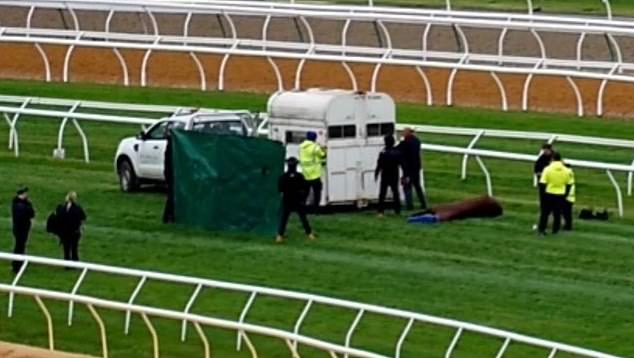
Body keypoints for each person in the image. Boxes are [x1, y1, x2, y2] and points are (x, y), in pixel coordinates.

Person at [276, 157, 314, 243]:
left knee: (284, 218)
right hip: (297, 199)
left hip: (287, 199)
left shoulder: (283, 177)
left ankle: (279, 236)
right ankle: (310, 234)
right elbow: (305, 187)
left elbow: (280, 189)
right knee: (303, 217)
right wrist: (303, 198)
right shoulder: (300, 176)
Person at [538, 152, 573, 236]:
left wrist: (542, 196)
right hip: (560, 194)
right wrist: (565, 194)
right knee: (557, 214)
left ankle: (542, 230)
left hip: (548, 193)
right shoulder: (567, 170)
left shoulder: (547, 169)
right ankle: (555, 231)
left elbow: (543, 183)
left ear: (552, 159)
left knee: (545, 213)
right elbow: (569, 184)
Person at [397, 127, 427, 210]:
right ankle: (423, 203)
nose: (402, 133)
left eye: (404, 132)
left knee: (407, 186)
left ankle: (409, 205)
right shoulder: (417, 141)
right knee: (417, 186)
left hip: (408, 168)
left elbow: (398, 149)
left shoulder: (405, 143)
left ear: (408, 133)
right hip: (416, 167)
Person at [376, 134, 404, 216]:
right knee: (395, 192)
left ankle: (380, 210)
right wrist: (405, 174)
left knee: (382, 194)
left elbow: (379, 164)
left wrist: (377, 173)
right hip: (394, 175)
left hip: (385, 175)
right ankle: (397, 210)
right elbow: (402, 164)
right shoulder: (397, 152)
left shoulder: (383, 152)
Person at [299, 131, 327, 212]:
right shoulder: (315, 147)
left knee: (305, 193)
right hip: (315, 174)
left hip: (305, 174)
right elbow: (322, 155)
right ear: (314, 138)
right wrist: (324, 149)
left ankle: (302, 207)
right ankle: (316, 209)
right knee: (317, 193)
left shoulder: (301, 147)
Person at [55, 192, 87, 262]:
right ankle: (75, 262)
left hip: (65, 232)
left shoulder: (62, 208)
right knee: (74, 248)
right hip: (74, 232)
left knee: (66, 249)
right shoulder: (78, 208)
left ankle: (67, 264)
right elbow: (83, 217)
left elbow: (59, 218)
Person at [11, 187, 35, 273]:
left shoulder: (21, 203)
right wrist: (28, 205)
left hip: (22, 228)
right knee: (19, 247)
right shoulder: (19, 205)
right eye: (25, 193)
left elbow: (32, 213)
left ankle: (18, 263)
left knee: (20, 246)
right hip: (20, 229)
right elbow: (30, 213)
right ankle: (17, 265)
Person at [163, 129, 175, 223]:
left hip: (169, 172)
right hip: (171, 173)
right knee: (171, 195)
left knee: (171, 195)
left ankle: (168, 216)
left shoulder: (169, 147)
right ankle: (168, 216)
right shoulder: (171, 147)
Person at [563, 163, 575, 231]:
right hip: (570, 197)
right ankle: (568, 226)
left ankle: (568, 226)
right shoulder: (571, 173)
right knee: (567, 213)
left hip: (567, 197)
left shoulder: (568, 174)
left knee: (566, 213)